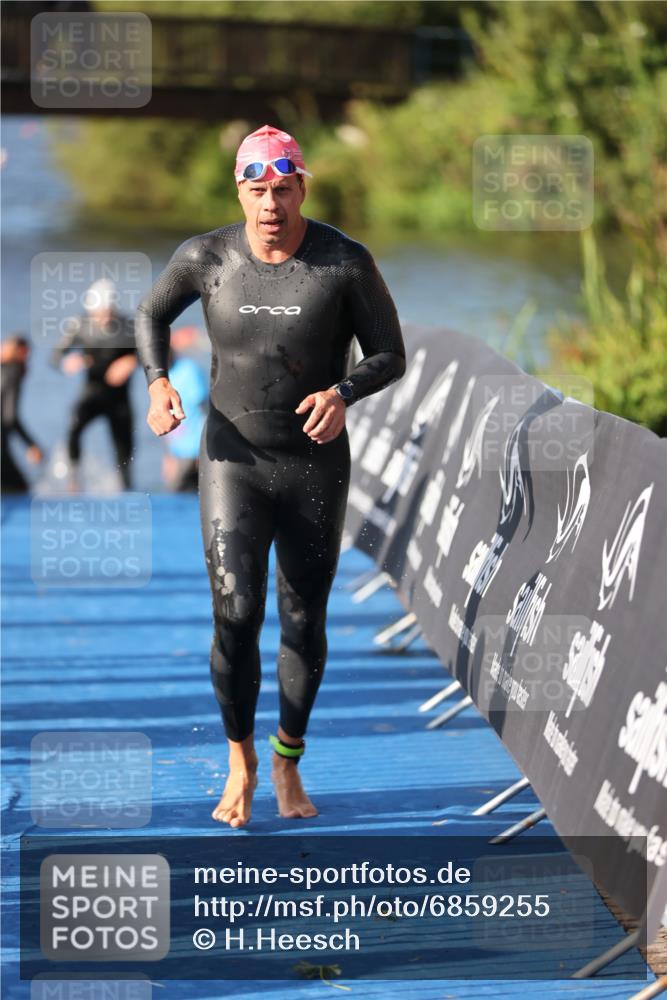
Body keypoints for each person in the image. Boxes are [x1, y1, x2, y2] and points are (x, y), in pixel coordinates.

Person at [135, 124, 406, 828]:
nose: (270, 206)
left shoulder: (342, 262)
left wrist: (341, 394)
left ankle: (287, 757)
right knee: (234, 614)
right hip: (232, 461)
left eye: (282, 190)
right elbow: (151, 313)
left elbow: (388, 354)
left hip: (313, 463)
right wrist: (159, 382)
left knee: (301, 618)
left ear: (301, 187)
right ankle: (241, 759)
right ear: (239, 190)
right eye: (257, 191)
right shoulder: (206, 257)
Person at [51, 278, 138, 491]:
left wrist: (132, 361)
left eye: (108, 312)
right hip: (92, 393)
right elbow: (55, 356)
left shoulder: (129, 326)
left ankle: (126, 489)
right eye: (99, 313)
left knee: (123, 448)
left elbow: (153, 352)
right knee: (74, 425)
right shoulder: (80, 325)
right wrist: (68, 362)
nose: (103, 318)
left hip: (119, 398)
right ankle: (74, 479)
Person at [161, 326, 208, 492]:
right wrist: (168, 455)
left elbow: (206, 410)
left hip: (196, 451)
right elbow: (165, 418)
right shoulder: (161, 381)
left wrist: (205, 450)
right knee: (177, 496)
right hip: (178, 452)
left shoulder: (189, 370)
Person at [1, 334, 43, 493]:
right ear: (22, 352)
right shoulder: (14, 371)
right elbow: (10, 417)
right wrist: (31, 444)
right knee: (19, 490)